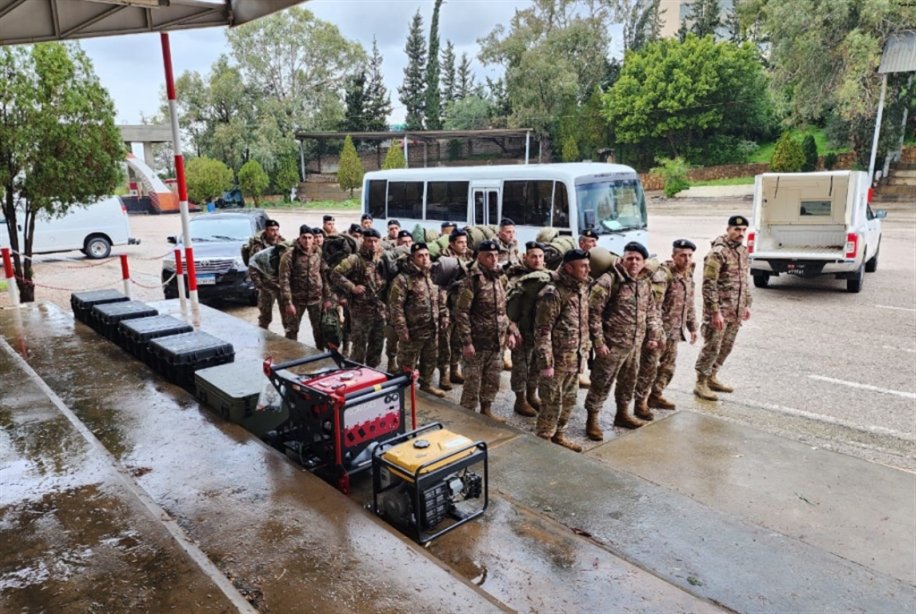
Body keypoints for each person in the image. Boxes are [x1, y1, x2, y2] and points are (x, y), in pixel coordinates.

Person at [584, 241, 661, 437]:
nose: (634, 262)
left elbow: (651, 311)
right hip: (611, 346)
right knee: (601, 382)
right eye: (630, 258)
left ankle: (622, 414)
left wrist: (653, 335)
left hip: (635, 344)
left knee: (629, 381)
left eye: (638, 259)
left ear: (644, 262)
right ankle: (592, 419)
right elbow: (593, 314)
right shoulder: (609, 280)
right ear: (623, 259)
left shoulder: (644, 282)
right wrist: (599, 343)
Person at [632, 239, 698, 419]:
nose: (687, 259)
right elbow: (654, 307)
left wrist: (693, 327)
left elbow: (689, 303)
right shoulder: (663, 276)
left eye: (690, 255)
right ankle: (640, 403)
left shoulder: (688, 274)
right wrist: (655, 334)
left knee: (668, 368)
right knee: (649, 369)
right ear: (673, 256)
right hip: (658, 333)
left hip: (675, 332)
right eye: (682, 255)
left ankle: (656, 395)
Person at [454, 239, 519, 421]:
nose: (493, 259)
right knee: (472, 383)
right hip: (476, 343)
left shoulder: (498, 277)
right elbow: (462, 312)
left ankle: (486, 410)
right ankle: (466, 417)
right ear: (479, 256)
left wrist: (509, 331)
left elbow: (503, 310)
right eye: (488, 255)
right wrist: (467, 342)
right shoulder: (472, 279)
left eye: (496, 255)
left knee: (492, 380)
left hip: (496, 342)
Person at [534, 248, 591, 452]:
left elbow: (583, 325)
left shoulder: (581, 289)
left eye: (587, 265)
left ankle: (559, 435)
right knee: (551, 404)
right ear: (568, 267)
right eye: (582, 266)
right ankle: (543, 443)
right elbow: (542, 331)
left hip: (574, 359)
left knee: (569, 401)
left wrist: (583, 355)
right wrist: (546, 363)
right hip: (555, 362)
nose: (587, 269)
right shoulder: (553, 293)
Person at [694, 215, 752, 401]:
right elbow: (709, 284)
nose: (740, 233)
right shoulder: (717, 253)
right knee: (712, 346)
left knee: (726, 347)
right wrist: (715, 312)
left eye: (743, 230)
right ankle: (700, 382)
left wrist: (746, 304)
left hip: (735, 311)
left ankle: (712, 377)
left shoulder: (742, 251)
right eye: (736, 230)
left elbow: (744, 280)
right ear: (728, 229)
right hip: (719, 312)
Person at [388, 243, 448, 397]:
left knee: (430, 359)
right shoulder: (402, 280)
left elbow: (441, 298)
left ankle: (426, 384)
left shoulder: (432, 275)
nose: (424, 259)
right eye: (420, 256)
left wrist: (444, 316)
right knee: (407, 364)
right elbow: (396, 307)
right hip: (412, 331)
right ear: (412, 259)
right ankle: (403, 392)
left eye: (426, 255)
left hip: (431, 328)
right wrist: (402, 330)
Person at [330, 228, 387, 367]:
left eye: (375, 241)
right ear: (363, 241)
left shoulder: (383, 259)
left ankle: (372, 373)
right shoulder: (355, 259)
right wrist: (352, 287)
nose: (372, 244)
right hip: (360, 311)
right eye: (369, 241)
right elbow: (335, 274)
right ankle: (355, 372)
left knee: (377, 344)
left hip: (379, 311)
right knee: (359, 346)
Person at [506, 241, 548, 417]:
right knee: (521, 367)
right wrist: (511, 330)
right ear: (525, 257)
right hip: (521, 331)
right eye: (533, 256)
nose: (537, 260)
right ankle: (520, 399)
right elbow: (505, 307)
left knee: (536, 366)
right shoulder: (516, 278)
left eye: (540, 256)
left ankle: (532, 395)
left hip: (538, 331)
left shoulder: (547, 277)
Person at [279, 225, 329, 347]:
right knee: (292, 330)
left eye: (309, 238)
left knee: (319, 330)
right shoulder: (290, 255)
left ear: (313, 239)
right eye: (304, 237)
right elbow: (284, 280)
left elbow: (324, 274)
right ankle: (291, 355)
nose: (307, 241)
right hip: (297, 300)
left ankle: (320, 353)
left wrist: (327, 298)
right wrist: (288, 303)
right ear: (299, 238)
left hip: (316, 299)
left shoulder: (318, 252)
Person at [437, 228, 472, 390]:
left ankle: (454, 370)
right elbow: (440, 288)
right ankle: (443, 374)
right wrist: (443, 312)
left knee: (457, 341)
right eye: (460, 242)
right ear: (452, 244)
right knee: (445, 343)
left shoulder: (469, 256)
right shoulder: (443, 259)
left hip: (462, 306)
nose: (464, 245)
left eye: (465, 242)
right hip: (447, 307)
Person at [242, 219, 285, 330]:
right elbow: (253, 266)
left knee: (287, 316)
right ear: (266, 231)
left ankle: (289, 339)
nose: (275, 233)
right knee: (265, 317)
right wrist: (259, 285)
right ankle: (263, 336)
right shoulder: (258, 245)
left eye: (277, 230)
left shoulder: (282, 242)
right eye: (272, 230)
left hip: (280, 284)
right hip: (266, 286)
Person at [577, 227, 599, 388]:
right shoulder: (575, 259)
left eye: (595, 241)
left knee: (590, 342)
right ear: (582, 243)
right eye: (590, 241)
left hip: (592, 308)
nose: (594, 244)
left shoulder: (598, 260)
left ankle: (589, 372)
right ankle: (578, 374)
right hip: (578, 308)